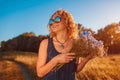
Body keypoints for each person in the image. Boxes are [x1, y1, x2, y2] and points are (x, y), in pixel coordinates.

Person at [36, 9, 94, 80]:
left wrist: (86, 60)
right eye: (51, 21)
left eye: (57, 19)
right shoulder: (45, 43)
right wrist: (56, 60)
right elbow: (39, 73)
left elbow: (75, 70)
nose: (53, 23)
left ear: (66, 21)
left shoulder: (76, 44)